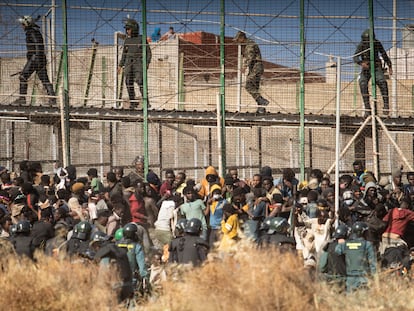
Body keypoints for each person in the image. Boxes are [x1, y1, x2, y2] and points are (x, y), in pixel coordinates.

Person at [13, 16, 56, 106]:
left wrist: (34, 61)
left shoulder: (31, 32)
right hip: (39, 59)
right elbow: (39, 46)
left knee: (23, 77)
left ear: (26, 24)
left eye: (22, 24)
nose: (22, 26)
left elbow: (38, 46)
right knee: (45, 80)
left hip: (35, 58)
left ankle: (22, 99)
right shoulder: (35, 32)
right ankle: (53, 99)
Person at [353, 29, 392, 117]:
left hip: (376, 66)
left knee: (382, 81)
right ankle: (368, 109)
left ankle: (386, 105)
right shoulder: (361, 45)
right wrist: (361, 63)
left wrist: (389, 65)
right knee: (362, 82)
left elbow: (383, 54)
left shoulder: (377, 43)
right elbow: (355, 56)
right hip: (366, 68)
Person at [117, 18, 152, 109]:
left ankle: (146, 101)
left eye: (129, 29)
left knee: (140, 81)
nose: (127, 31)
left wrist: (147, 63)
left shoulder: (141, 39)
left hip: (138, 63)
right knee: (128, 81)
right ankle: (132, 102)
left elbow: (148, 52)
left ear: (134, 29)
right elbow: (124, 54)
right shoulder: (127, 41)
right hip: (128, 63)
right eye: (126, 29)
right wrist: (120, 65)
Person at [233, 31, 269, 113]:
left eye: (238, 39)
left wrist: (244, 66)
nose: (237, 42)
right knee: (255, 88)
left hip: (256, 67)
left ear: (242, 38)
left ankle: (262, 101)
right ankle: (261, 107)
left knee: (248, 85)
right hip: (253, 67)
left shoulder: (250, 45)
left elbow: (250, 57)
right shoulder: (246, 45)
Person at [335, 221, 377, 293]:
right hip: (363, 278)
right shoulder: (367, 245)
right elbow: (373, 264)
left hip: (350, 278)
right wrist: (375, 279)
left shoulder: (345, 244)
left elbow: (337, 251)